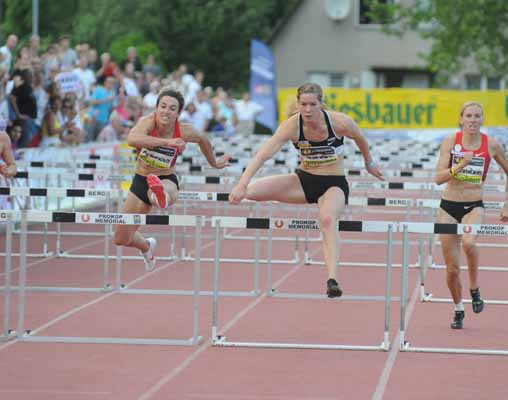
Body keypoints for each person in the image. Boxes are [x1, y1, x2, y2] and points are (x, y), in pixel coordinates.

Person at [229, 82, 384, 298]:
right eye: (304, 104)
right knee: (249, 192)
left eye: (313, 104)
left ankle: (332, 279)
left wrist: (369, 163)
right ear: (298, 104)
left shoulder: (340, 122)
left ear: (322, 104)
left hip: (333, 183)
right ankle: (241, 190)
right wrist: (242, 183)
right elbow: (263, 155)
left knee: (327, 219)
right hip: (303, 181)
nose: (308, 110)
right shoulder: (291, 126)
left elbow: (360, 137)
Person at [114, 88, 230, 270]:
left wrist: (214, 163)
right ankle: (146, 246)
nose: (166, 111)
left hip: (166, 178)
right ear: (157, 107)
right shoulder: (147, 123)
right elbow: (132, 138)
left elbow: (203, 139)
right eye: (163, 106)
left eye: (172, 108)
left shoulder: (184, 130)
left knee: (159, 191)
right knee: (121, 238)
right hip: (140, 180)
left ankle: (160, 195)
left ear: (178, 113)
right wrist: (168, 142)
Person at [434, 101, 508, 329]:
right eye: (468, 115)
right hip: (448, 205)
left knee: (469, 242)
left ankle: (474, 288)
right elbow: (438, 178)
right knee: (451, 269)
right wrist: (460, 165)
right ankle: (459, 309)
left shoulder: (492, 145)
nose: (472, 120)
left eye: (477, 116)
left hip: (474, 205)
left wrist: (507, 204)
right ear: (461, 119)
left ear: (482, 120)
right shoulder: (451, 141)